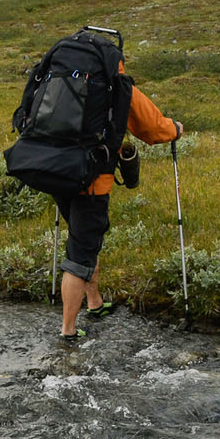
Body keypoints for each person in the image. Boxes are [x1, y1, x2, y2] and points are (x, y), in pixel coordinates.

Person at [56, 65, 181, 342]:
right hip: (91, 179)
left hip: (55, 170)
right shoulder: (116, 83)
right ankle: (68, 332)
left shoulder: (60, 75)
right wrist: (176, 129)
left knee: (85, 236)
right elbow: (153, 127)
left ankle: (94, 302)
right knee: (81, 249)